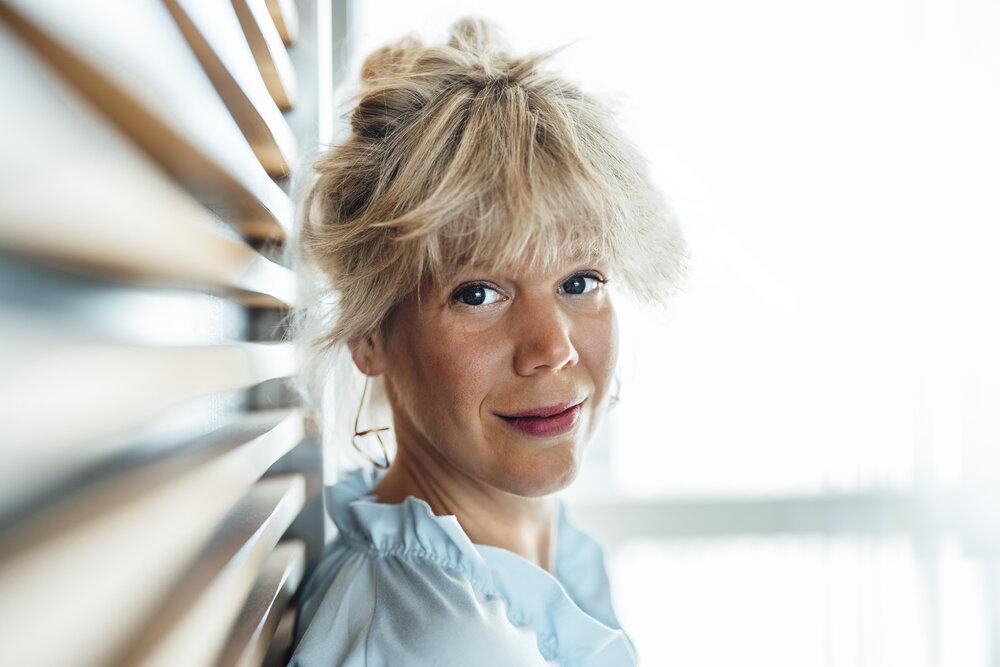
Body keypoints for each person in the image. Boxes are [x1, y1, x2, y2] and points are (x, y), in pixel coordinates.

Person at [288, 17, 686, 666]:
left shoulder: (545, 547)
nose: (550, 346)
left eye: (580, 279)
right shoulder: (438, 638)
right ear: (369, 331)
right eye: (477, 293)